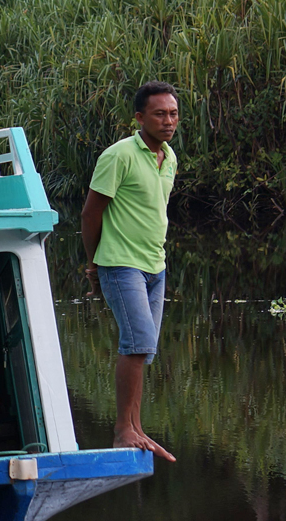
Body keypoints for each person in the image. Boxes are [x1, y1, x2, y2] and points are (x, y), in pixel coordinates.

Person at [81, 81, 179, 462]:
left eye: (172, 114)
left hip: (156, 264)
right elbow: (91, 212)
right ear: (140, 118)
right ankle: (123, 429)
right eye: (159, 113)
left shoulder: (168, 157)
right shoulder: (119, 155)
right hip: (121, 263)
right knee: (136, 341)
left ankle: (137, 429)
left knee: (144, 351)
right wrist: (93, 262)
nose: (168, 121)